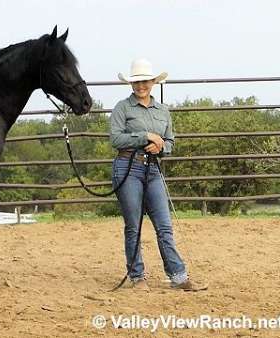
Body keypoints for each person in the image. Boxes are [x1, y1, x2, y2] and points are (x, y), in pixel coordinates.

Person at [110, 58, 207, 291]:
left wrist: (161, 146)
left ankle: (178, 276)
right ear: (131, 84)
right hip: (127, 168)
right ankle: (137, 276)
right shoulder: (122, 108)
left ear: (153, 82)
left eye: (145, 81)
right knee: (133, 225)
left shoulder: (163, 111)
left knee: (164, 225)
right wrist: (146, 136)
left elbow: (170, 142)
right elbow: (115, 139)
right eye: (136, 82)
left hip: (153, 169)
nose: (141, 85)